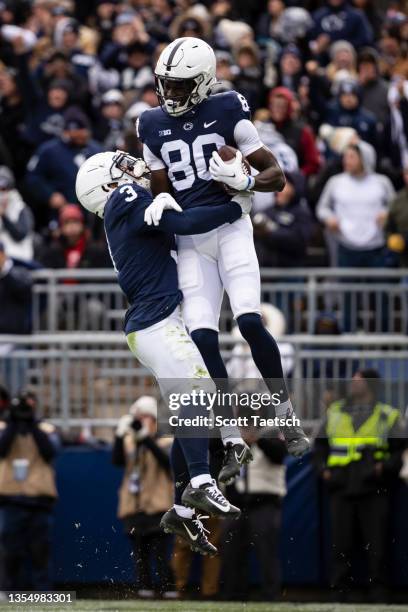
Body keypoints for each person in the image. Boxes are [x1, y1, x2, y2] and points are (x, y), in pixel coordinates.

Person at [138, 37, 309, 463]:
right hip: (192, 243)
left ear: (204, 81)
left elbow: (276, 175)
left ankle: (286, 416)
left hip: (232, 229)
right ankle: (231, 435)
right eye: (166, 84)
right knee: (202, 338)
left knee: (250, 321)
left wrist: (245, 180)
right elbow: (164, 196)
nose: (170, 94)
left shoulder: (229, 107)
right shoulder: (149, 124)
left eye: (180, 85)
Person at [75, 150, 251, 556]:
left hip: (159, 322)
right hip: (154, 324)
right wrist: (234, 207)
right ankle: (202, 484)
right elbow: (184, 223)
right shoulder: (124, 200)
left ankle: (181, 511)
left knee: (195, 401)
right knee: (196, 392)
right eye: (119, 165)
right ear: (106, 184)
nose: (130, 163)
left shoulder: (128, 208)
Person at [313, 370, 405, 602]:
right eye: (353, 379)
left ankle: (379, 593)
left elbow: (398, 451)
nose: (354, 383)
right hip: (341, 484)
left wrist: (383, 469)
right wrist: (323, 470)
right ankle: (339, 594)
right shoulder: (334, 412)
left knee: (377, 544)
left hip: (373, 486)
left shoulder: (388, 415)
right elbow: (320, 447)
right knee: (340, 543)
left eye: (360, 379)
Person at [112, 396, 176, 599]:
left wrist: (146, 437)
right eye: (138, 417)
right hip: (134, 504)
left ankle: (169, 589)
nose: (140, 420)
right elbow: (116, 461)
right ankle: (144, 588)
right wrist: (119, 436)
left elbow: (167, 463)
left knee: (161, 553)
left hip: (158, 504)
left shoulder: (167, 439)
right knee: (140, 553)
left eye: (145, 417)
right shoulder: (131, 441)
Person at [221, 418, 288, 601]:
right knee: (232, 552)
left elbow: (279, 454)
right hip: (236, 504)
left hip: (264, 502)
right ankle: (234, 596)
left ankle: (271, 596)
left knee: (266, 552)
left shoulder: (273, 430)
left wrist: (257, 439)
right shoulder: (232, 434)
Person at [0, 393, 60, 590]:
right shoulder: (4, 427)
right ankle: (7, 590)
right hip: (11, 499)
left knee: (40, 550)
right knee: (10, 550)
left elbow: (50, 452)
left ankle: (42, 591)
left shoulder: (45, 428)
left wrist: (32, 424)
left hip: (39, 499)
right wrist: (13, 423)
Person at [316, 141, 394, 267]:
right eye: (345, 156)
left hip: (376, 246)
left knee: (378, 286)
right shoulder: (335, 182)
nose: (347, 161)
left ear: (365, 158)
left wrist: (386, 214)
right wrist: (329, 218)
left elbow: (394, 207)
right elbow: (322, 208)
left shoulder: (382, 182)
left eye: (352, 157)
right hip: (345, 245)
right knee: (346, 286)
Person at [25, 107, 103, 227]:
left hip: (92, 211)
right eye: (77, 131)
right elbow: (33, 177)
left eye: (84, 130)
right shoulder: (48, 150)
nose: (82, 135)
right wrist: (49, 195)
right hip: (60, 211)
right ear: (67, 131)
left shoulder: (96, 149)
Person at [0, 166, 34, 263]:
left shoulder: (21, 208)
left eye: (3, 188)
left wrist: (4, 216)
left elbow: (20, 234)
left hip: (20, 261)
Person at [385, 165, 408, 268]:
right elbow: (389, 227)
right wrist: (391, 238)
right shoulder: (397, 200)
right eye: (406, 173)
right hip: (404, 262)